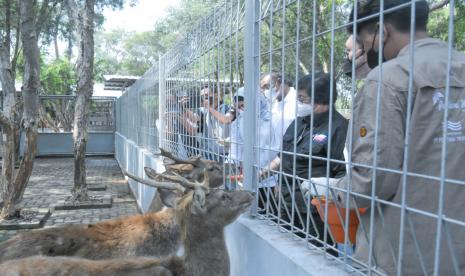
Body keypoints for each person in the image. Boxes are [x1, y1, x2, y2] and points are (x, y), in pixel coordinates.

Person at [329, 1, 465, 274]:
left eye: (364, 38)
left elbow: (372, 181)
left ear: (382, 30)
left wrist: (332, 189)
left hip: (403, 251)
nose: (366, 48)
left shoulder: (389, 78)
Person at [263, 72, 348, 241]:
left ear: (320, 101)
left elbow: (342, 174)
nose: (298, 103)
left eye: (302, 99)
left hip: (315, 213)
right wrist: (260, 175)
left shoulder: (339, 128)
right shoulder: (300, 122)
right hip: (286, 206)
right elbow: (282, 157)